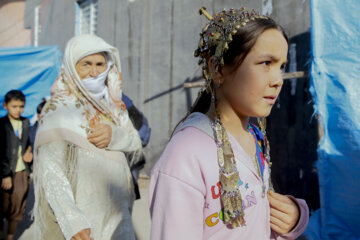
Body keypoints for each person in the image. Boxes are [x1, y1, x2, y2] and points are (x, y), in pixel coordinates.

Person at [149, 7, 309, 239]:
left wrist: (295, 217)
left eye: (281, 66)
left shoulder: (255, 136)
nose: (278, 80)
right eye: (266, 63)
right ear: (217, 68)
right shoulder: (186, 155)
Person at [33, 34, 142, 240]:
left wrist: (114, 135)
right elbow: (50, 170)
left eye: (100, 64)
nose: (94, 72)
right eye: (86, 64)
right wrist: (73, 221)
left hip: (119, 213)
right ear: (72, 66)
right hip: (83, 216)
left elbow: (134, 142)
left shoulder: (113, 105)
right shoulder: (58, 108)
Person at [0, 90, 33, 240]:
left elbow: (28, 144)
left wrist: (29, 153)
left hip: (21, 172)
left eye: (21, 106)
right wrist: (5, 175)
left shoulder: (25, 123)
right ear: (5, 106)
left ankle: (10, 236)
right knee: (3, 207)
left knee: (18, 207)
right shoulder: (2, 125)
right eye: (14, 106)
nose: (18, 110)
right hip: (5, 173)